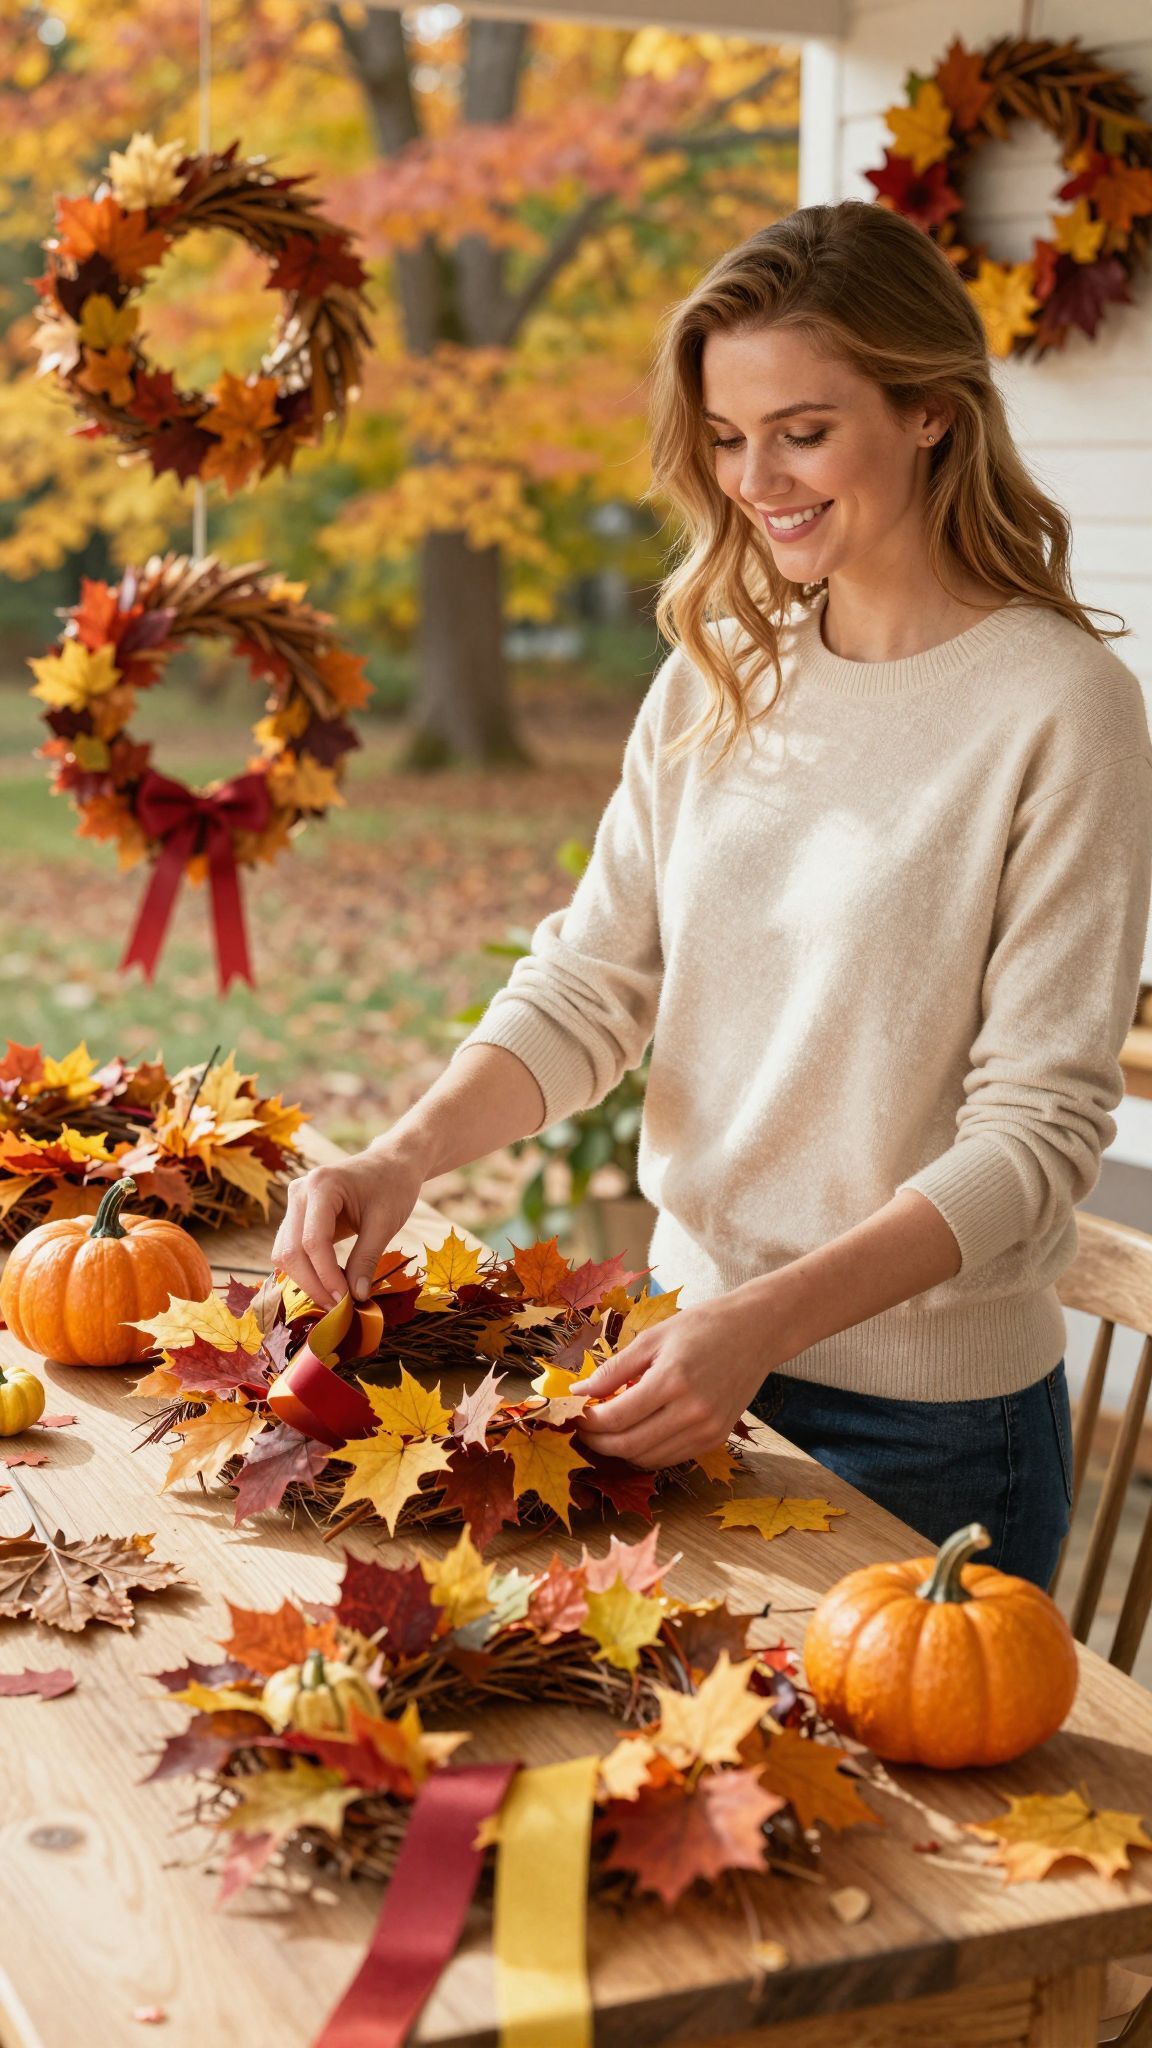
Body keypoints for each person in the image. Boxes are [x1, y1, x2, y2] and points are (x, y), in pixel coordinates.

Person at [271, 199, 1152, 1591]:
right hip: (680, 1364)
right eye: (730, 438)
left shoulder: (1063, 710)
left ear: (930, 410)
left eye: (803, 430)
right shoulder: (719, 667)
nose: (758, 479)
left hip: (924, 1432)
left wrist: (765, 1325)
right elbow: (593, 981)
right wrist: (400, 1159)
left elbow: (1039, 1133)